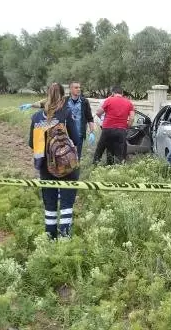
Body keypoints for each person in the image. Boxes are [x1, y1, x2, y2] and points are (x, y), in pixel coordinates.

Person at [29, 83, 80, 239]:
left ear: (47, 95)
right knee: (66, 204)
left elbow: (32, 143)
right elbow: (76, 139)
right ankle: (65, 238)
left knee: (50, 205)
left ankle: (50, 237)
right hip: (67, 166)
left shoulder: (37, 117)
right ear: (63, 96)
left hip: (45, 166)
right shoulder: (66, 113)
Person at [20, 81, 96, 160]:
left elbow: (90, 118)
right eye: (76, 87)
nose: (79, 89)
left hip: (79, 134)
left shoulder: (84, 102)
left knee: (76, 158)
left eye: (79, 87)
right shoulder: (64, 100)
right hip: (64, 135)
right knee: (62, 158)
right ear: (70, 89)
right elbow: (46, 102)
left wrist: (92, 132)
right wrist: (31, 105)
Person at [92, 85, 134, 165]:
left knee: (101, 148)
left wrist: (103, 120)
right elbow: (131, 118)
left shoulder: (109, 100)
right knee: (120, 151)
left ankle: (96, 165)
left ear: (113, 93)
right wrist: (126, 126)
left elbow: (98, 112)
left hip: (107, 129)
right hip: (121, 130)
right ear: (122, 93)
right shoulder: (129, 103)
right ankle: (119, 166)